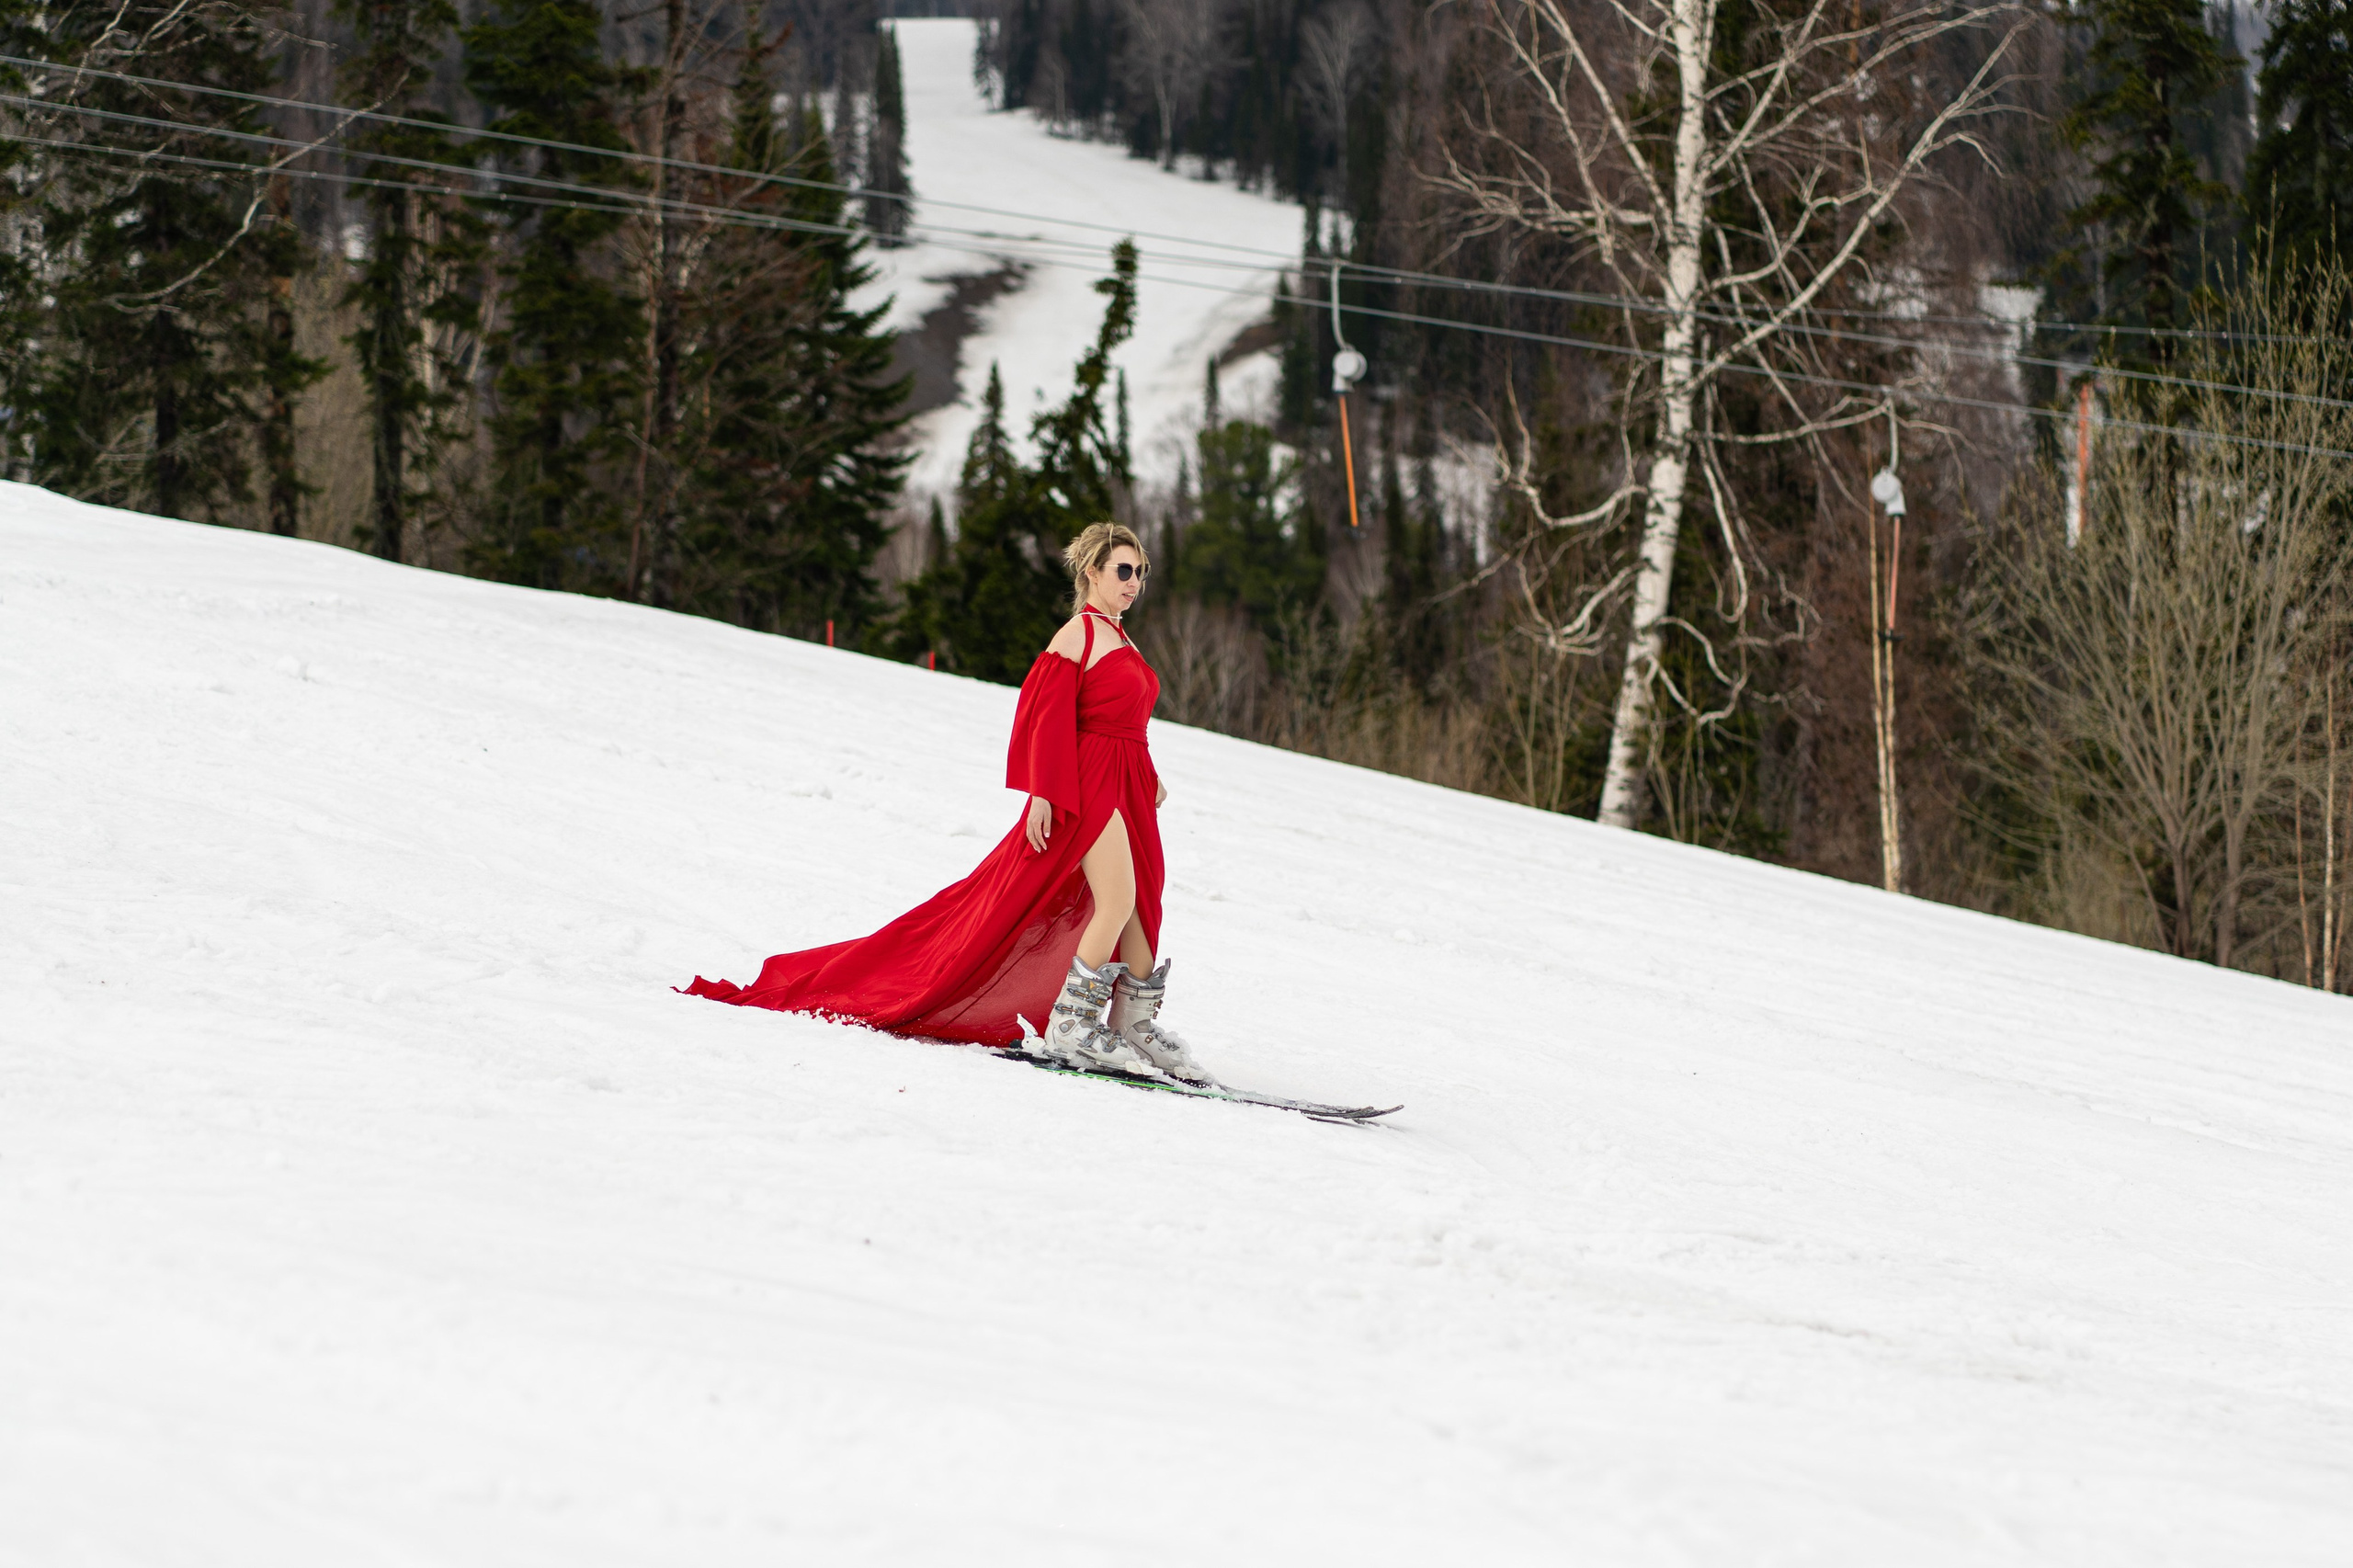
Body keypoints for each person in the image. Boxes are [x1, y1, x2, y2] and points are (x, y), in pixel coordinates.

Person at [681, 522, 1214, 1085]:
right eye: (1124, 571)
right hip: (1091, 782)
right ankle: (1071, 1021)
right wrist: (1043, 792)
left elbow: (1125, 720)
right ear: (1092, 573)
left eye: (1142, 573)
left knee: (1141, 901)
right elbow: (1044, 719)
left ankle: (1133, 1023)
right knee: (1117, 897)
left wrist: (1149, 774)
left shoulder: (1122, 638)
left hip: (1128, 780)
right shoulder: (1077, 635)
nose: (1135, 582)